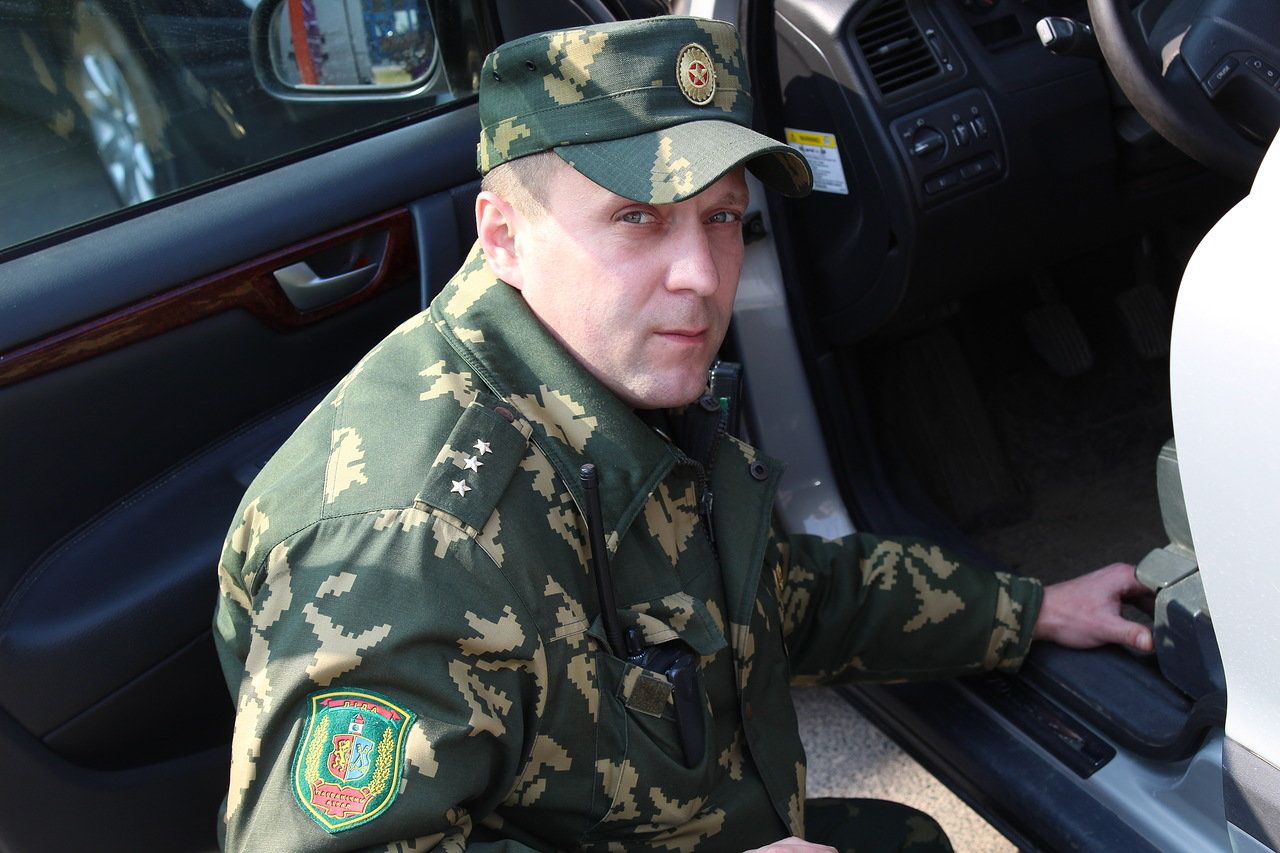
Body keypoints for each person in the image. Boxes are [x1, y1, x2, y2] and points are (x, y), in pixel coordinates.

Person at [214, 15, 1153, 852]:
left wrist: (1023, 612)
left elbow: (769, 598)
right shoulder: (414, 545)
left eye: (723, 218)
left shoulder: (607, 375)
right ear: (503, 237)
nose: (702, 275)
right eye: (637, 219)